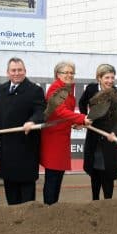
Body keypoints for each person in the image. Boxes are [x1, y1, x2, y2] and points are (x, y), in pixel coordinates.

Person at [0, 58, 46, 205]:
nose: (17, 73)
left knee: (27, 195)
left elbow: (41, 111)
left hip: (27, 148)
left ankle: (28, 223)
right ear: (8, 73)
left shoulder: (35, 90)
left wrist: (32, 121)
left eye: (20, 70)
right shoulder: (1, 89)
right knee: (11, 190)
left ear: (25, 71)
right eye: (13, 70)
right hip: (7, 148)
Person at [40, 61, 92, 205]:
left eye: (71, 72)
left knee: (57, 175)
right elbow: (60, 111)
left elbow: (62, 115)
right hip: (53, 139)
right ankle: (49, 208)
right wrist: (82, 118)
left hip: (61, 138)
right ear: (58, 74)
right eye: (66, 72)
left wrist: (76, 122)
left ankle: (53, 206)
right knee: (52, 177)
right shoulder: (55, 89)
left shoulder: (66, 89)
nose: (69, 75)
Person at [78, 64, 117, 200]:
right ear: (99, 78)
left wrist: (115, 132)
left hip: (110, 139)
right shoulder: (91, 89)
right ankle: (95, 202)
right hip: (94, 136)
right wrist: (85, 118)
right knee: (94, 172)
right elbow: (82, 103)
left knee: (107, 174)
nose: (110, 81)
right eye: (107, 77)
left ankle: (108, 204)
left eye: (112, 77)